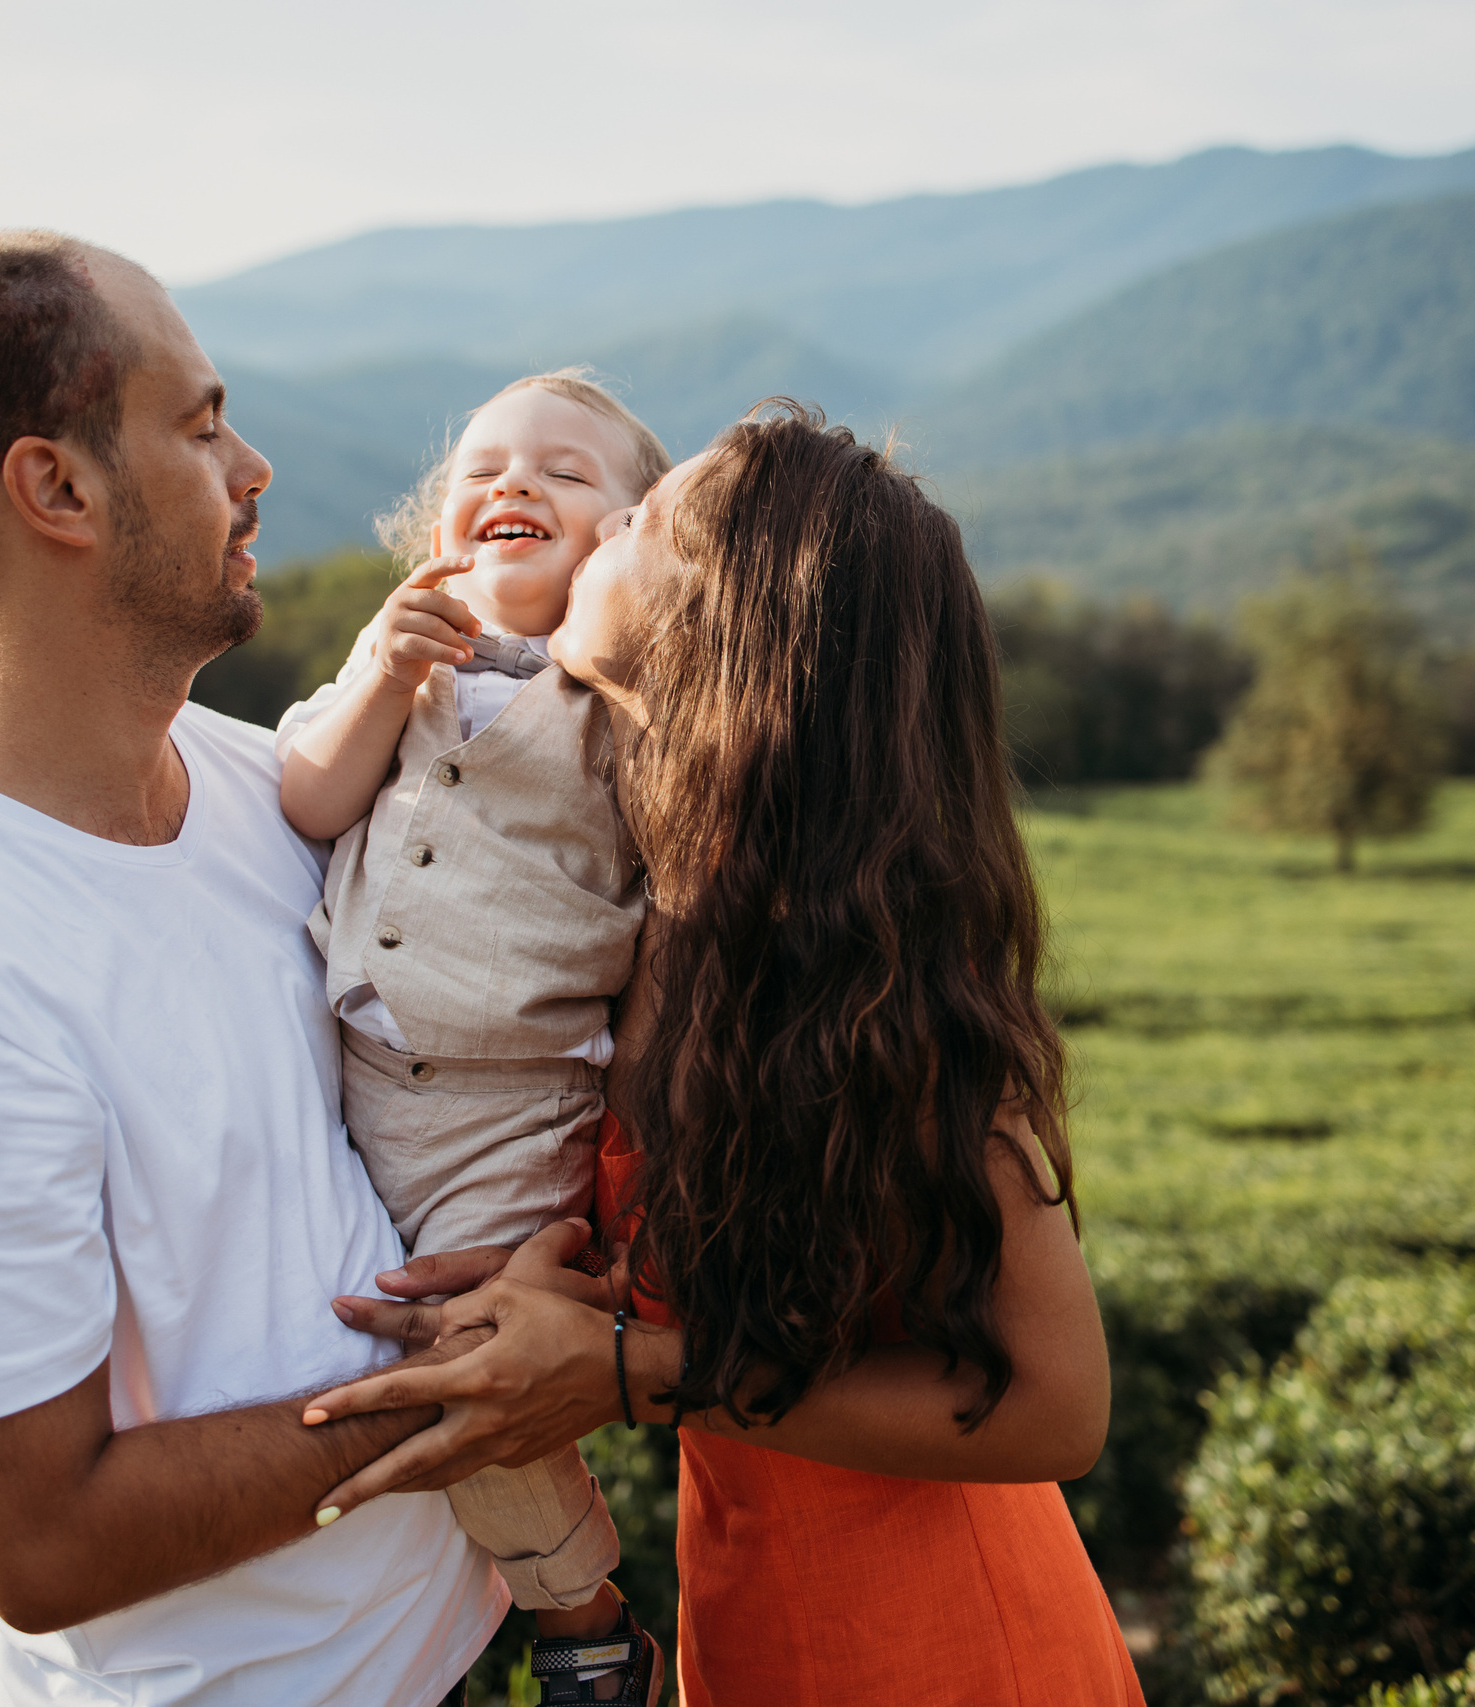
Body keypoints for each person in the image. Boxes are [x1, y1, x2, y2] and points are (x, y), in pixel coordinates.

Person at [301, 405, 1147, 1704]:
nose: (601, 533)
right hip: (753, 1632)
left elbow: (1058, 1409)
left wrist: (623, 1372)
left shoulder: (857, 975)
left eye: (641, 522)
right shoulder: (659, 912)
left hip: (955, 1657)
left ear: (725, 623)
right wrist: (548, 1286)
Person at [0, 231, 504, 1706]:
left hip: (456, 1650)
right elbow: (45, 1547)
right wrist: (474, 1392)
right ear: (58, 490)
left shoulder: (249, 779)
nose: (254, 469)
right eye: (203, 424)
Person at [274, 371, 675, 1701]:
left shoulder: (634, 700)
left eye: (565, 472)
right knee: (353, 1324)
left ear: (635, 536)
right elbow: (311, 795)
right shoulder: (403, 655)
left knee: (474, 1357)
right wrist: (381, 677)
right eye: (482, 469)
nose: (513, 484)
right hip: (361, 1077)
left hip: (517, 1102)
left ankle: (585, 1625)